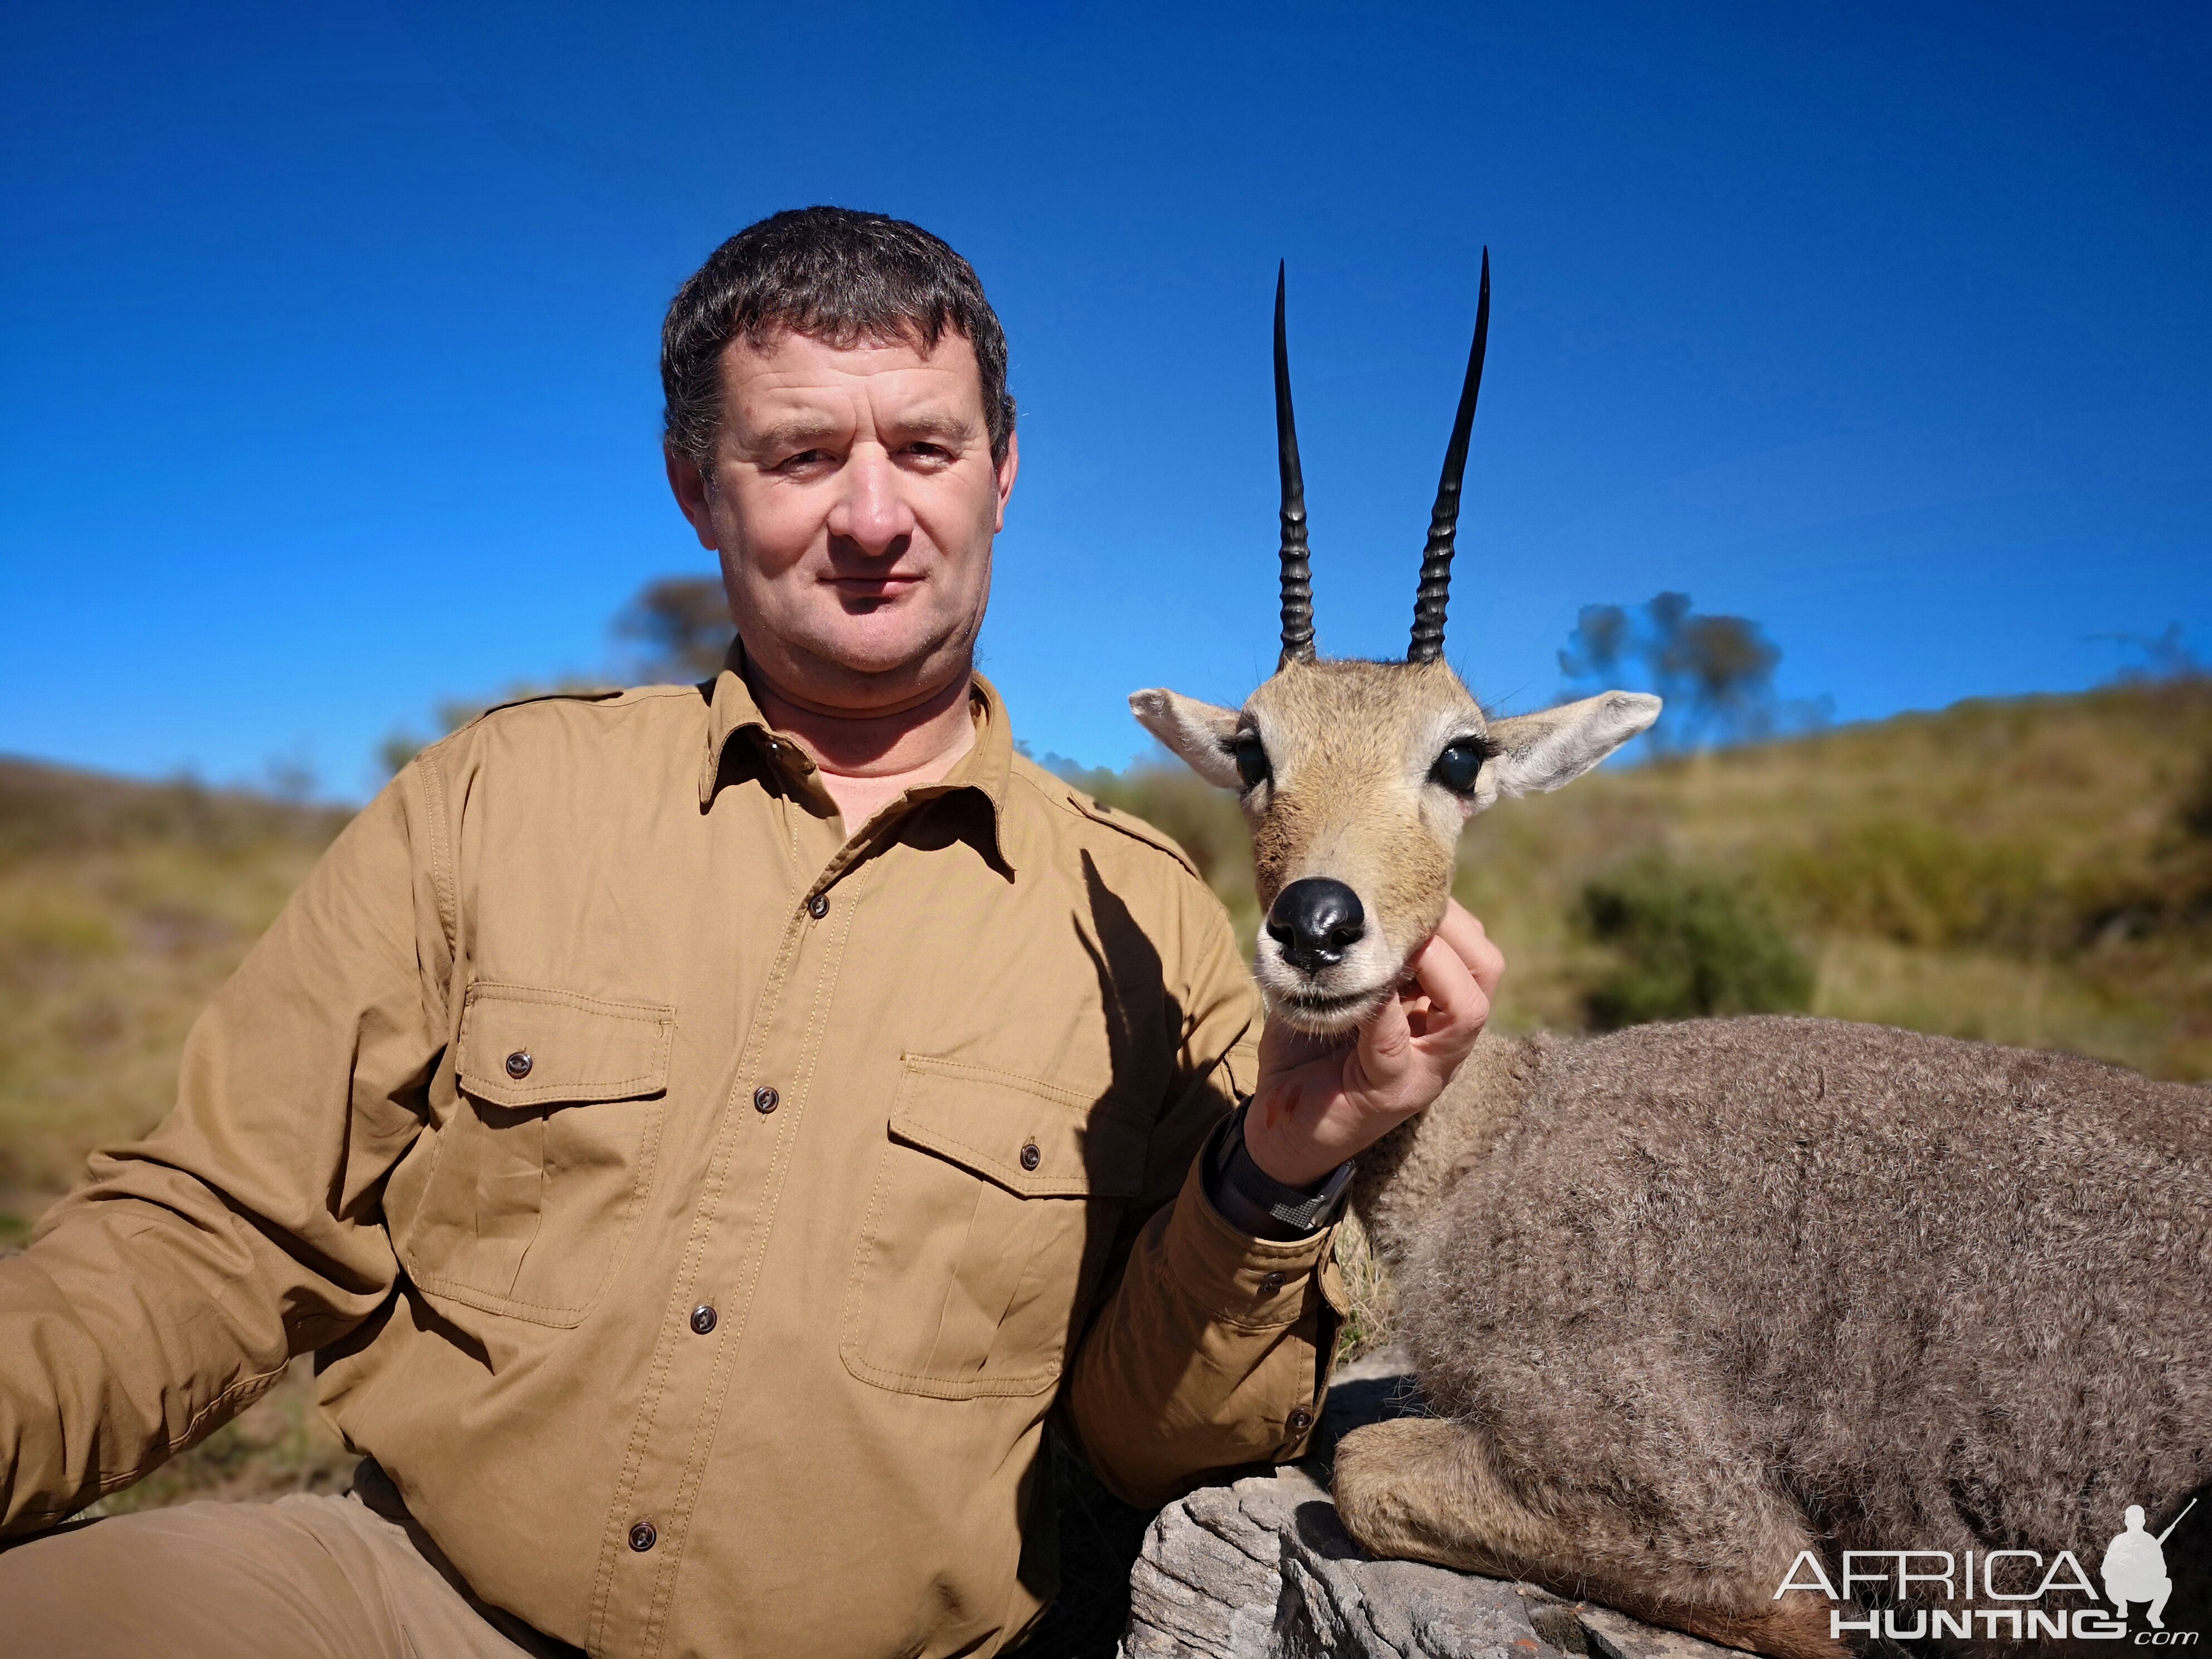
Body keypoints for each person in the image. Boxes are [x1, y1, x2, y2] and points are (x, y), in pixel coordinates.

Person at [0, 207, 1502, 1658]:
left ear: (1002, 471)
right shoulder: (495, 796)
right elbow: (212, 1233)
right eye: (797, 455)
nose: (870, 516)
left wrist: (1278, 1172)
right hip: (405, 1604)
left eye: (925, 447)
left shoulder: (1156, 926)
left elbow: (1150, 1436)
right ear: (695, 485)